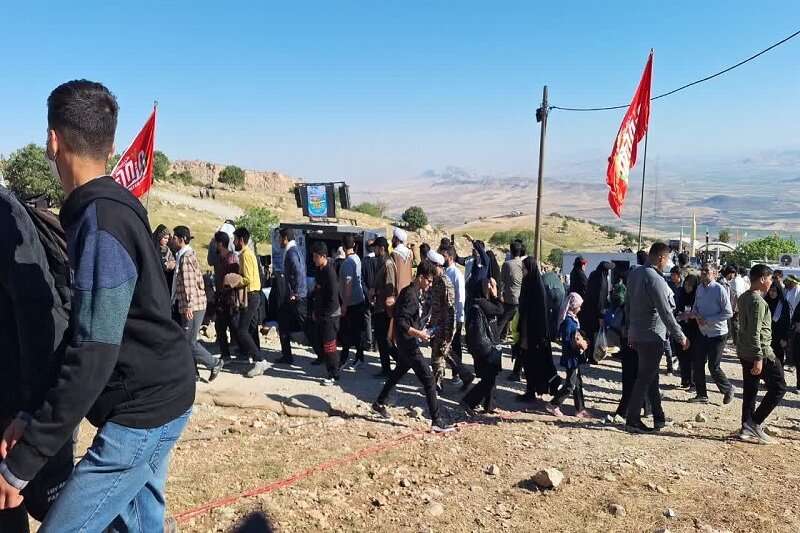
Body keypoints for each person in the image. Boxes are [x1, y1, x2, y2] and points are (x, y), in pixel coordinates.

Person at [0, 80, 195, 530]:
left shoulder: (100, 223)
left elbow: (92, 353)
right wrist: (30, 412)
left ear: (53, 141)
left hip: (144, 410)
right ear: (110, 144)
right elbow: (82, 330)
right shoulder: (108, 208)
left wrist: (22, 463)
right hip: (165, 391)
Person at [0, 186, 74, 531]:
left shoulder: (5, 215)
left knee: (48, 503)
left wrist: (31, 410)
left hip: (20, 398)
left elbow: (39, 313)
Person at [372, 262, 454, 433]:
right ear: (421, 277)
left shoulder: (412, 292)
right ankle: (436, 420)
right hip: (408, 342)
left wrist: (422, 327)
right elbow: (401, 322)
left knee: (399, 372)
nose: (430, 285)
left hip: (405, 342)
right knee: (429, 380)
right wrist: (419, 334)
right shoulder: (410, 294)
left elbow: (404, 317)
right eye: (429, 281)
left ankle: (379, 403)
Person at [624, 242, 689, 433]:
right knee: (645, 378)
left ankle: (658, 417)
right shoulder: (655, 279)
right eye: (667, 259)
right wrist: (680, 336)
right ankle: (633, 419)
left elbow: (628, 305)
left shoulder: (635, 274)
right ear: (661, 258)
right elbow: (665, 312)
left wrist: (629, 330)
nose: (666, 263)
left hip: (637, 333)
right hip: (652, 336)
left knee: (651, 377)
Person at [737, 264, 786, 444]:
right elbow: (754, 332)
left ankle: (745, 427)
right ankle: (755, 422)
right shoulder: (758, 302)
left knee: (751, 390)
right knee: (779, 387)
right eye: (770, 279)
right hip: (761, 353)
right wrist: (759, 358)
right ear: (763, 279)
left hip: (745, 351)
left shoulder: (743, 297)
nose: (771, 283)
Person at [172, 226, 223, 382]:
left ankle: (214, 363)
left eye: (174, 237)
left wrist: (188, 305)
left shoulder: (186, 257)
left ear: (181, 240)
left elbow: (188, 283)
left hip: (192, 306)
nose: (173, 240)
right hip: (191, 304)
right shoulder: (183, 255)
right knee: (187, 341)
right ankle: (193, 373)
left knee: (190, 341)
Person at [688, 263, 735, 405]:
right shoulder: (700, 288)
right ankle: (701, 395)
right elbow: (696, 305)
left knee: (713, 366)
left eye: (707, 271)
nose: (703, 273)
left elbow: (728, 312)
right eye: (702, 270)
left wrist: (708, 320)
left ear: (714, 273)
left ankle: (728, 389)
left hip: (718, 333)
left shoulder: (719, 289)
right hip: (703, 332)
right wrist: (694, 314)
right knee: (697, 363)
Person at [516, 257, 562, 401]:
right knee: (529, 364)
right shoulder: (528, 285)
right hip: (527, 332)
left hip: (535, 335)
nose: (522, 271)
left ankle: (536, 390)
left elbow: (538, 315)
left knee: (536, 364)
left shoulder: (537, 289)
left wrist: (529, 336)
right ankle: (531, 390)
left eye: (524, 269)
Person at [461, 279, 504, 414]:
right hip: (487, 346)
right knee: (489, 379)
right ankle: (468, 402)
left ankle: (490, 405)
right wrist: (496, 294)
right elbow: (500, 310)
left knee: (491, 376)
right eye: (489, 286)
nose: (490, 288)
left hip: (481, 345)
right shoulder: (482, 303)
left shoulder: (474, 301)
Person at [546, 293, 591, 418]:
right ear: (573, 306)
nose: (580, 309)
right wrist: (579, 343)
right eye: (579, 306)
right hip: (571, 358)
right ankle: (553, 404)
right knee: (570, 385)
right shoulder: (567, 322)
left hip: (574, 358)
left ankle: (579, 409)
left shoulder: (572, 320)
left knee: (577, 383)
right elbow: (567, 341)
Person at [233, 228, 266, 377]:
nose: (233, 242)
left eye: (235, 239)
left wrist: (234, 281)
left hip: (251, 295)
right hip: (255, 294)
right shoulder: (249, 254)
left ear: (241, 240)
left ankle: (259, 360)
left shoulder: (245, 255)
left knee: (242, 331)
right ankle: (257, 359)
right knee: (252, 329)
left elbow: (247, 278)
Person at [310, 242, 342, 385]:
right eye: (313, 256)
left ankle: (334, 374)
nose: (314, 259)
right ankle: (329, 367)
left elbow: (333, 297)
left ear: (324, 256)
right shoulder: (319, 270)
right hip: (321, 314)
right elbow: (317, 292)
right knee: (323, 342)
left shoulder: (330, 273)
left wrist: (324, 315)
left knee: (330, 345)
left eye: (316, 257)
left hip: (330, 315)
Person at [276, 227, 307, 367]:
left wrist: (296, 292)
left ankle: (322, 353)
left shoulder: (292, 253)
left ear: (285, 239)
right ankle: (287, 355)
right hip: (292, 295)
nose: (278, 241)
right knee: (284, 324)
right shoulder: (294, 250)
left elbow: (299, 272)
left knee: (306, 325)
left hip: (295, 296)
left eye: (279, 238)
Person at [338, 234, 365, 369]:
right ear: (353, 245)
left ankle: (346, 358)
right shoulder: (356, 258)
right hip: (357, 300)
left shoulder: (348, 263)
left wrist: (344, 304)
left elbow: (348, 284)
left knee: (348, 332)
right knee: (355, 331)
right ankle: (357, 357)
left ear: (343, 246)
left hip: (352, 302)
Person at [213, 231, 240, 361]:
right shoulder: (223, 259)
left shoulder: (231, 259)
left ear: (220, 244)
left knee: (234, 327)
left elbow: (233, 280)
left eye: (215, 243)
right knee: (220, 326)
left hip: (229, 299)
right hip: (222, 298)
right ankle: (226, 354)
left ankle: (243, 352)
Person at [372, 237, 398, 376]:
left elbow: (390, 289)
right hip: (379, 306)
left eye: (375, 248)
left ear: (381, 248)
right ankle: (386, 367)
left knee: (384, 340)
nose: (374, 250)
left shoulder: (387, 264)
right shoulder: (381, 262)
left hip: (384, 308)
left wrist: (376, 292)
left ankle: (398, 362)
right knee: (382, 340)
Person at [580, 261, 614, 357]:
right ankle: (593, 356)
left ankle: (586, 354)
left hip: (588, 310)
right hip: (596, 313)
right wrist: (601, 316)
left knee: (589, 334)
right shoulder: (602, 281)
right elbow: (600, 300)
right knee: (596, 335)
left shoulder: (593, 275)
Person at [444, 246, 468, 384]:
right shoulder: (446, 272)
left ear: (451, 258)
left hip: (454, 315)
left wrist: (459, 317)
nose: (443, 259)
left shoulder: (457, 274)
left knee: (456, 345)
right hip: (446, 315)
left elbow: (460, 298)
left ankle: (458, 374)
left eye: (445, 256)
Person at [676, 274, 701, 390]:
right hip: (682, 328)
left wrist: (690, 316)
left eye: (690, 286)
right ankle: (685, 380)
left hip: (694, 330)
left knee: (692, 357)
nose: (687, 288)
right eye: (686, 285)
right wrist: (680, 316)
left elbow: (699, 313)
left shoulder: (697, 297)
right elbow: (677, 310)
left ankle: (693, 381)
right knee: (682, 355)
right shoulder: (681, 295)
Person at [498, 240, 524, 339]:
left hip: (510, 297)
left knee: (503, 318)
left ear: (511, 251)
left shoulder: (507, 264)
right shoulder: (523, 264)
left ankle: (499, 336)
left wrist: (500, 295)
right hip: (521, 296)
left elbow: (502, 281)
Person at [765, 281, 791, 365]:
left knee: (778, 359)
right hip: (767, 335)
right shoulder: (765, 301)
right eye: (770, 290)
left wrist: (785, 338)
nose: (771, 293)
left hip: (779, 336)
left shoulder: (783, 304)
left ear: (778, 291)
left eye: (774, 291)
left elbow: (787, 322)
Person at [361, 238, 379, 353]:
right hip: (378, 296)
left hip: (367, 296)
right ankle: (377, 345)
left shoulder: (365, 261)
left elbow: (361, 280)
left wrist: (368, 294)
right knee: (377, 320)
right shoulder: (380, 261)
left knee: (368, 319)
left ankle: (368, 343)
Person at [542, 266, 566, 342]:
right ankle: (558, 335)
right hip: (561, 292)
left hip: (549, 291)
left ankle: (550, 334)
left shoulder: (542, 277)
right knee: (558, 315)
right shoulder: (554, 276)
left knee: (548, 314)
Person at [152, 224, 176, 290]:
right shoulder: (153, 249)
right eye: (165, 238)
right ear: (160, 237)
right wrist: (166, 265)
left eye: (168, 238)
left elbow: (172, 260)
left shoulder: (168, 250)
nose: (167, 240)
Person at [391, 228, 413, 293]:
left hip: (398, 289)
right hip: (408, 288)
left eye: (393, 238)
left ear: (396, 240)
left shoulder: (394, 253)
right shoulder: (409, 253)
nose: (392, 240)